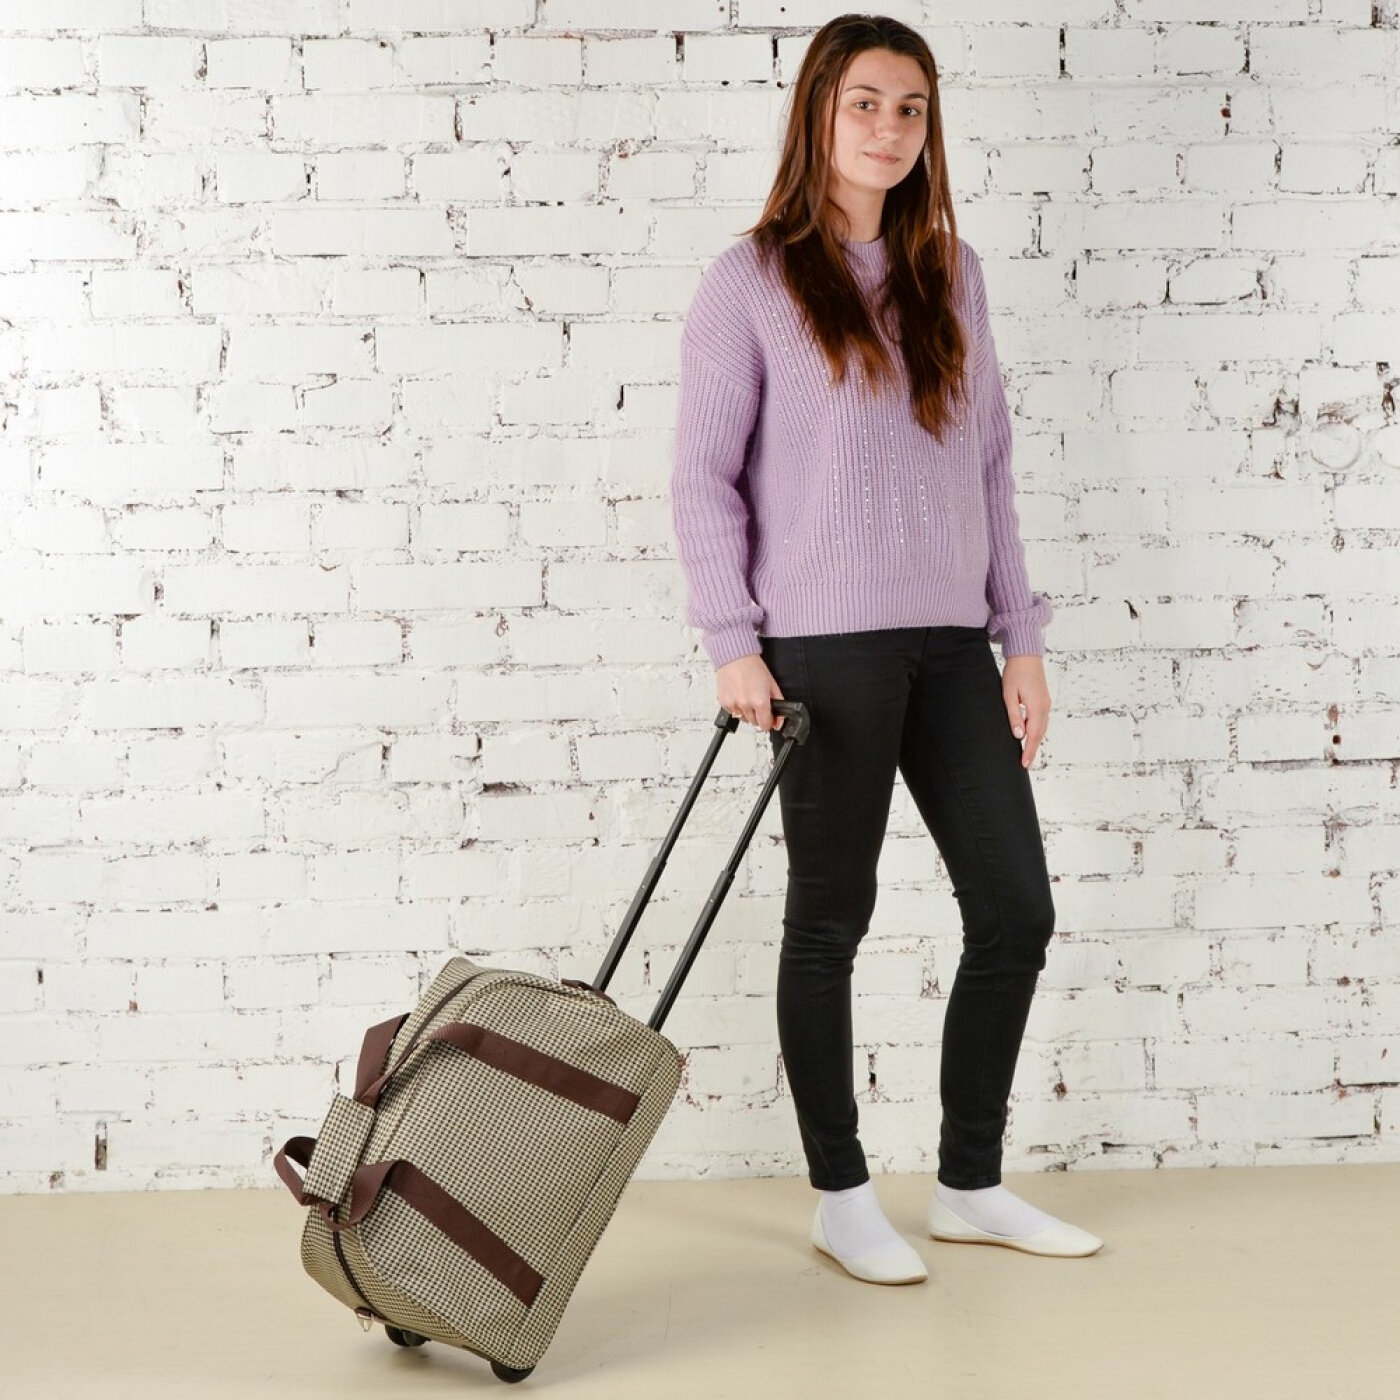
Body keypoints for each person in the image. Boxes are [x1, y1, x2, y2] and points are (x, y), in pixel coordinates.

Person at [668, 15, 1104, 1285]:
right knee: (830, 919)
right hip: (820, 647)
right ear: (818, 111)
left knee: (1013, 908)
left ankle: (967, 1182)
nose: (887, 129)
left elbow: (989, 467)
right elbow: (701, 478)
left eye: (909, 108)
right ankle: (841, 1192)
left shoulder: (951, 272)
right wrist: (730, 641)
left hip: (952, 642)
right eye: (863, 102)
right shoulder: (749, 279)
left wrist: (1020, 638)